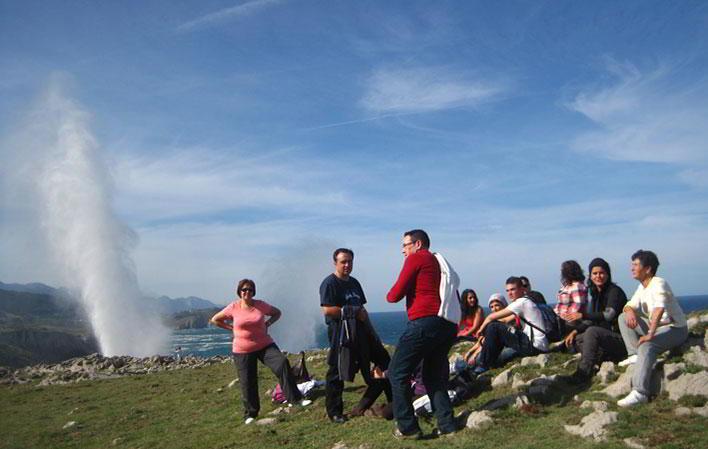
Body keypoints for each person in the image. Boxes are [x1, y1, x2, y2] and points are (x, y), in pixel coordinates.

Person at [386, 229, 459, 439]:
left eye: (405, 245)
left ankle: (408, 427)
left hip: (424, 321)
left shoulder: (418, 257)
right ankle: (447, 424)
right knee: (433, 376)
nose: (403, 250)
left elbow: (395, 295)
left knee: (397, 372)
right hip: (446, 324)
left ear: (417, 244)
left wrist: (389, 294)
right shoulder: (438, 262)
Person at [210, 279, 311, 424]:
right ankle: (251, 414)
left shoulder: (260, 305)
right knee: (247, 381)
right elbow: (215, 320)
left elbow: (277, 313)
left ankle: (295, 399)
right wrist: (231, 328)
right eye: (244, 289)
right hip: (242, 350)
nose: (247, 292)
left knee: (282, 363)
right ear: (239, 292)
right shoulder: (233, 307)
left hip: (265, 344)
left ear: (254, 291)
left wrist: (268, 323)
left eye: (250, 290)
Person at [320, 248, 392, 424]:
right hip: (341, 333)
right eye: (343, 261)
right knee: (337, 371)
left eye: (350, 261)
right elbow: (327, 309)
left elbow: (363, 310)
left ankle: (393, 401)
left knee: (385, 360)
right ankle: (335, 412)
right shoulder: (329, 283)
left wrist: (373, 332)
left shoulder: (354, 283)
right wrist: (352, 311)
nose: (347, 265)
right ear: (335, 262)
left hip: (362, 332)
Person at [616, 250, 688, 407]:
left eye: (635, 265)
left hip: (675, 328)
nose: (631, 268)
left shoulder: (658, 283)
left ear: (647, 269)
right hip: (658, 326)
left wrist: (650, 334)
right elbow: (629, 305)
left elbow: (658, 309)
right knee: (623, 318)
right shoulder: (642, 287)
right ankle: (634, 355)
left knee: (647, 345)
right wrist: (629, 312)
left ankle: (640, 392)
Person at [562, 258, 628, 384]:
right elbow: (590, 320)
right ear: (590, 276)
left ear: (608, 274)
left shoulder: (614, 292)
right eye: (595, 273)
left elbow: (609, 315)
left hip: (621, 339)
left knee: (592, 332)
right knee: (578, 339)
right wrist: (575, 331)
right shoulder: (596, 294)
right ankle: (601, 357)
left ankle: (584, 372)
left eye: (602, 273)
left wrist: (583, 315)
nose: (598, 276)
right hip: (606, 337)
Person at [472, 277, 549, 375]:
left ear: (522, 289)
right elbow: (505, 320)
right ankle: (489, 361)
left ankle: (483, 365)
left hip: (534, 346)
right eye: (507, 290)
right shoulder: (527, 301)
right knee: (496, 328)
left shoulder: (521, 302)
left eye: (513, 289)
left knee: (493, 327)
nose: (509, 293)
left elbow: (491, 317)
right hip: (539, 345)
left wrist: (480, 330)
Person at [555, 260, 589, 332]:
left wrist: (563, 316)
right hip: (562, 319)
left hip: (570, 322)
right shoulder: (567, 287)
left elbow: (578, 305)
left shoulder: (577, 286)